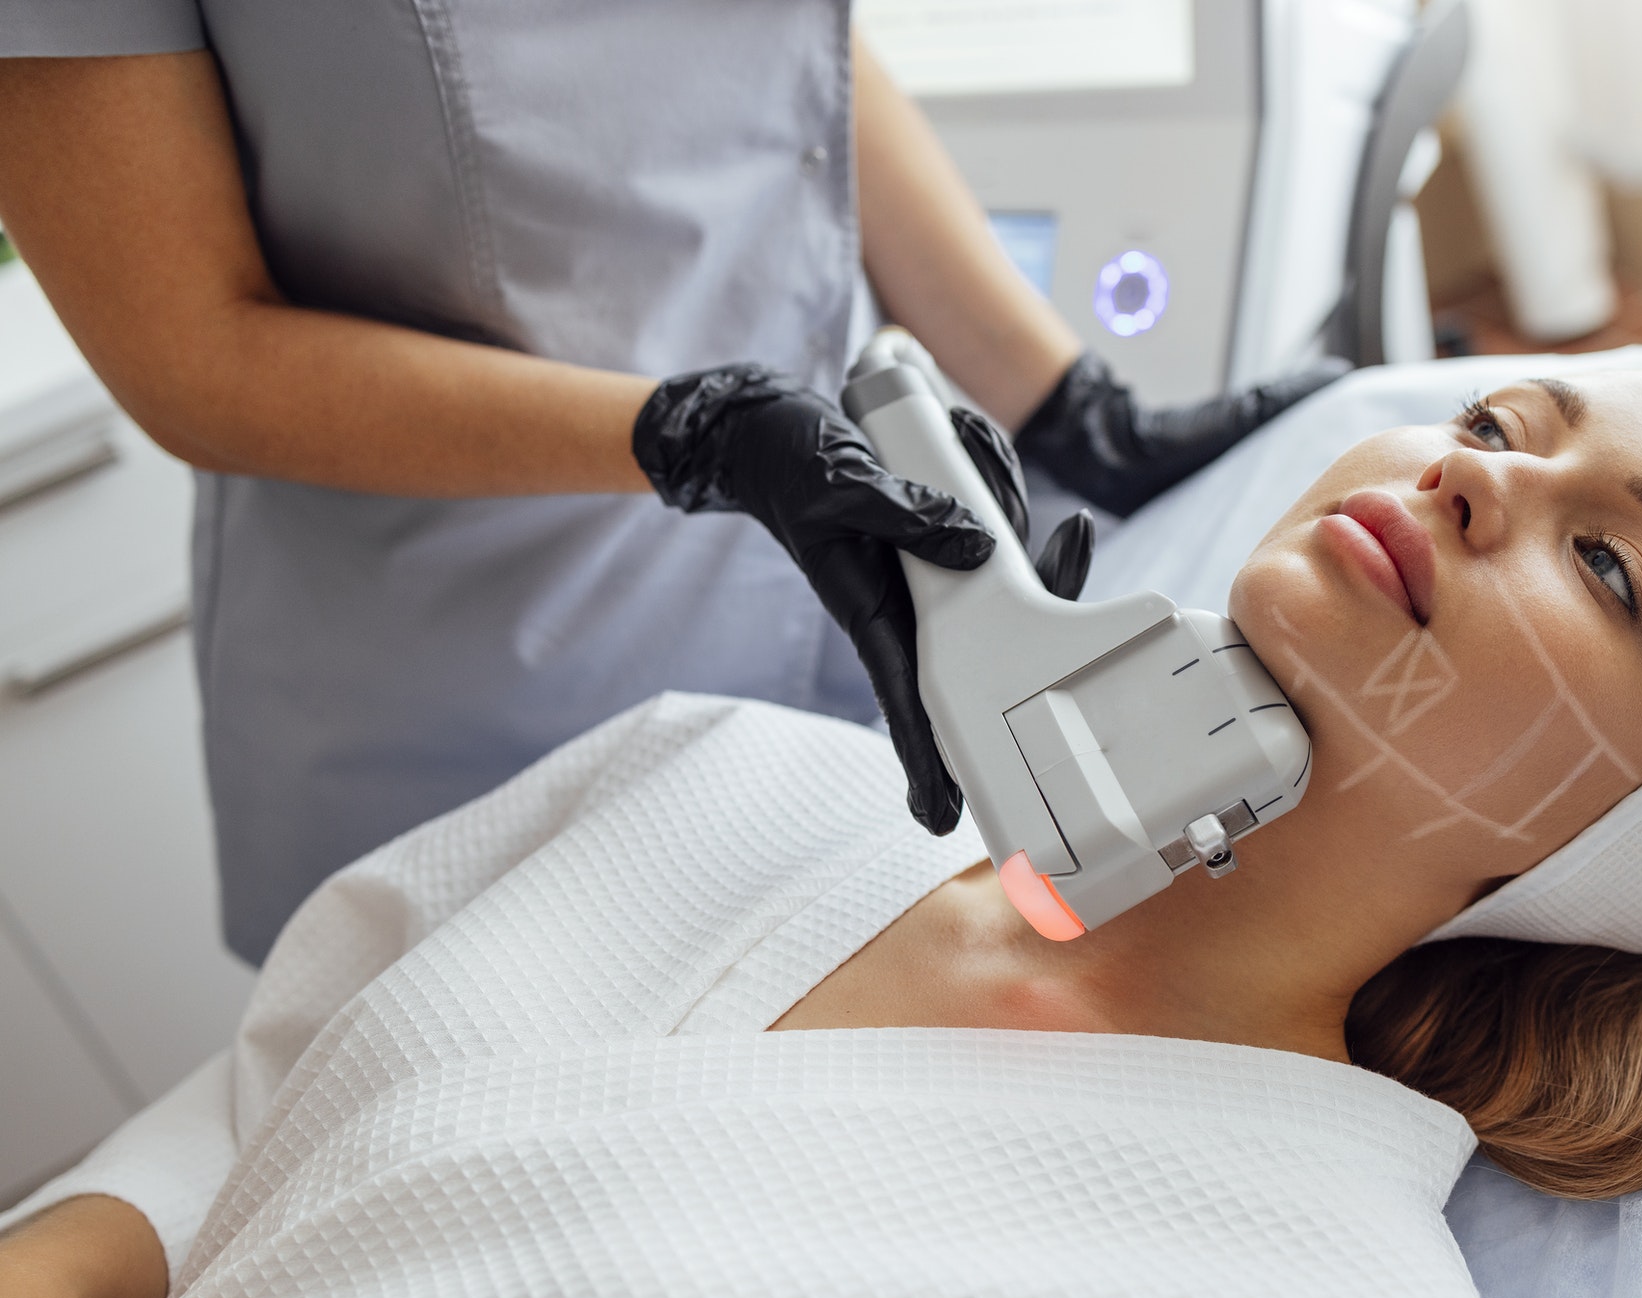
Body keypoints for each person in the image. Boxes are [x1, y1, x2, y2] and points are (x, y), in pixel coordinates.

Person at [5, 371, 1642, 1298]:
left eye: (1605, 557)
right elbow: (218, 1139)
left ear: (1624, 845)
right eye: (1498, 417)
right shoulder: (727, 777)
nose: (1477, 474)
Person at [0, 12, 1341, 965]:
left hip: (828, 574)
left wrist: (1066, 407)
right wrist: (695, 434)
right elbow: (193, 353)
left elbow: (785, 57)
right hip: (478, 677)